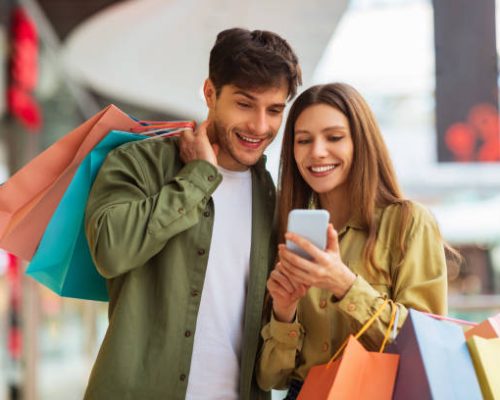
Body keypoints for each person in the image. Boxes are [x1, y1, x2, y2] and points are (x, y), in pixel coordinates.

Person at [84, 27, 301, 400]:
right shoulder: (139, 162)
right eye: (245, 104)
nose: (260, 126)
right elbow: (110, 249)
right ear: (210, 93)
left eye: (275, 110)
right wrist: (199, 178)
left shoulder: (273, 199)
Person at [256, 83, 449, 399]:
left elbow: (428, 344)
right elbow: (270, 378)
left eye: (334, 137)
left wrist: (344, 284)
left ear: (361, 142)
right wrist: (284, 312)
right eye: (304, 140)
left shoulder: (408, 222)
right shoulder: (289, 234)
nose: (317, 151)